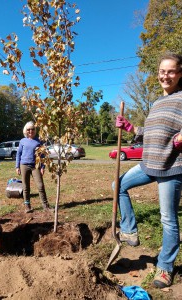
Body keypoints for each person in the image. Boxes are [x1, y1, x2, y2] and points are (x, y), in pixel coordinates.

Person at [115, 53, 182, 289]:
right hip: (148, 163)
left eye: (171, 71)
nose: (166, 75)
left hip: (171, 167)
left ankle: (165, 267)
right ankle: (130, 231)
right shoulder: (156, 102)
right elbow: (151, 130)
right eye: (162, 71)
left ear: (180, 73)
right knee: (119, 185)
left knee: (168, 219)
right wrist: (131, 127)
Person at [16, 121, 52, 213]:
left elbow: (42, 155)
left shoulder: (38, 141)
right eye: (28, 129)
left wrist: (43, 167)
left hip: (36, 166)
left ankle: (45, 205)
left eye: (32, 129)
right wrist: (17, 167)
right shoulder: (22, 141)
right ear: (26, 131)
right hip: (24, 165)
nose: (30, 131)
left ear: (34, 130)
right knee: (25, 187)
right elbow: (18, 154)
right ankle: (27, 206)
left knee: (40, 186)